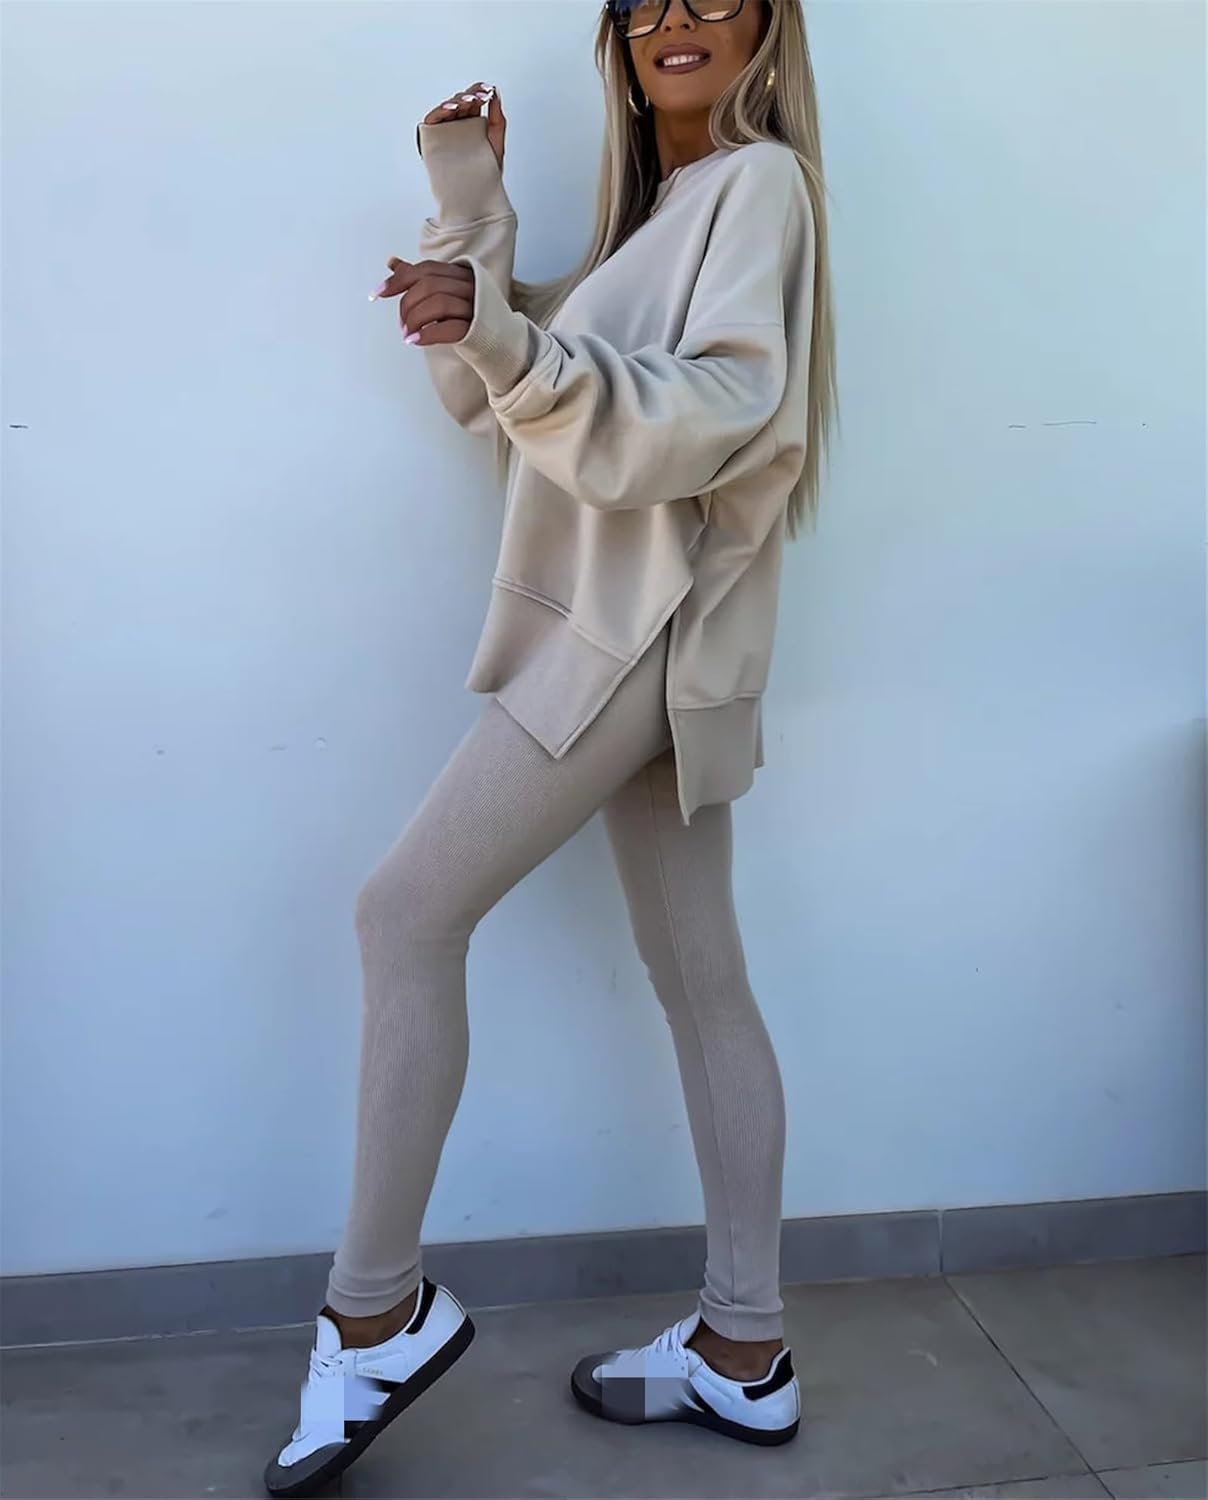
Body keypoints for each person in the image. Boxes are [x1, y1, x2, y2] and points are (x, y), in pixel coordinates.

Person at [264, 1, 835, 1493]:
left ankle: (375, 1311)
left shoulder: (759, 184)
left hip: (631, 636)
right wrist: (470, 205)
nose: (675, 20)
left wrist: (513, 334)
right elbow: (491, 392)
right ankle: (746, 1349)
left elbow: (719, 403)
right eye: (647, 1)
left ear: (768, 25)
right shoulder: (658, 215)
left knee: (403, 915)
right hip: (653, 636)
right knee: (703, 980)